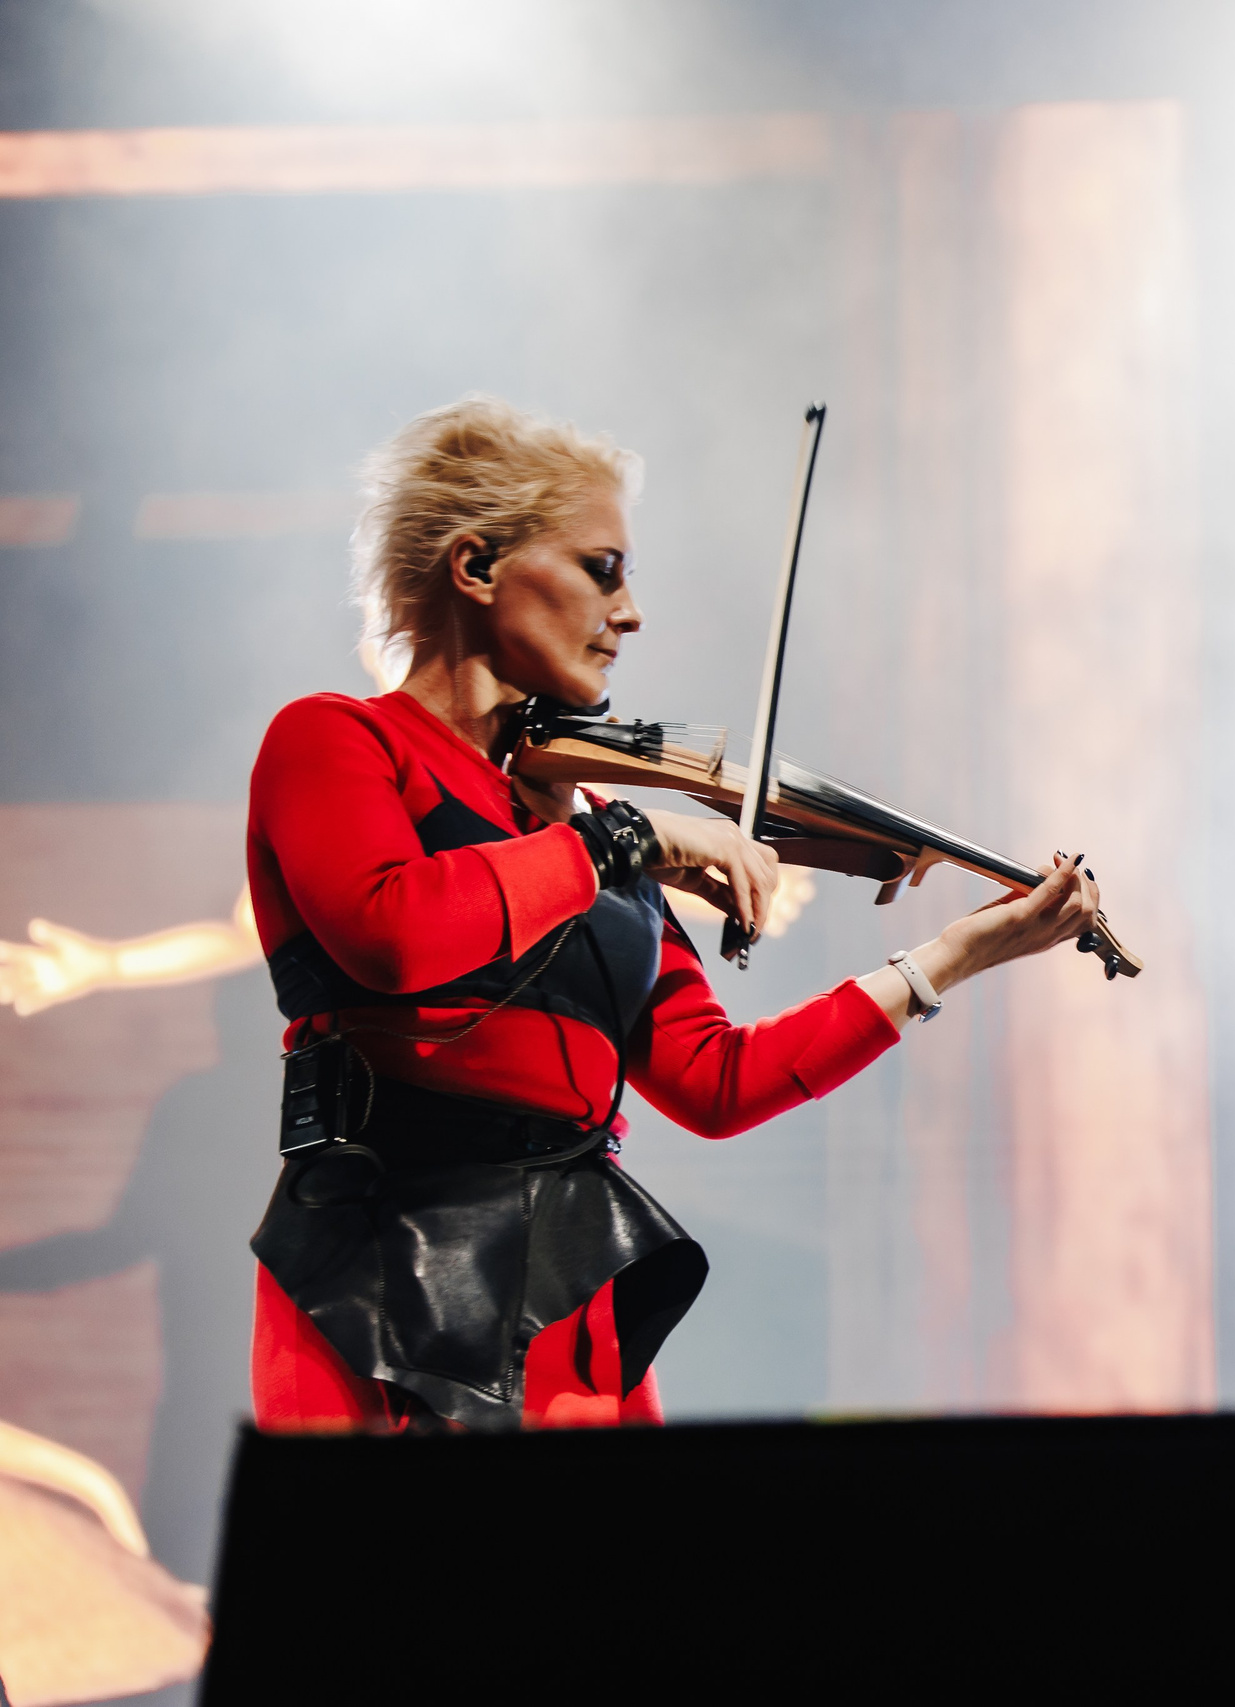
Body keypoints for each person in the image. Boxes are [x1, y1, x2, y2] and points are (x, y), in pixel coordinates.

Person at [244, 396, 1100, 1431]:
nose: (632, 611)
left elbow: (715, 1083)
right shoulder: (339, 742)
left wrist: (951, 958)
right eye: (601, 569)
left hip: (568, 1287)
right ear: (474, 567)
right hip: (378, 1274)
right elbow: (392, 935)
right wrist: (619, 845)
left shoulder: (595, 819)